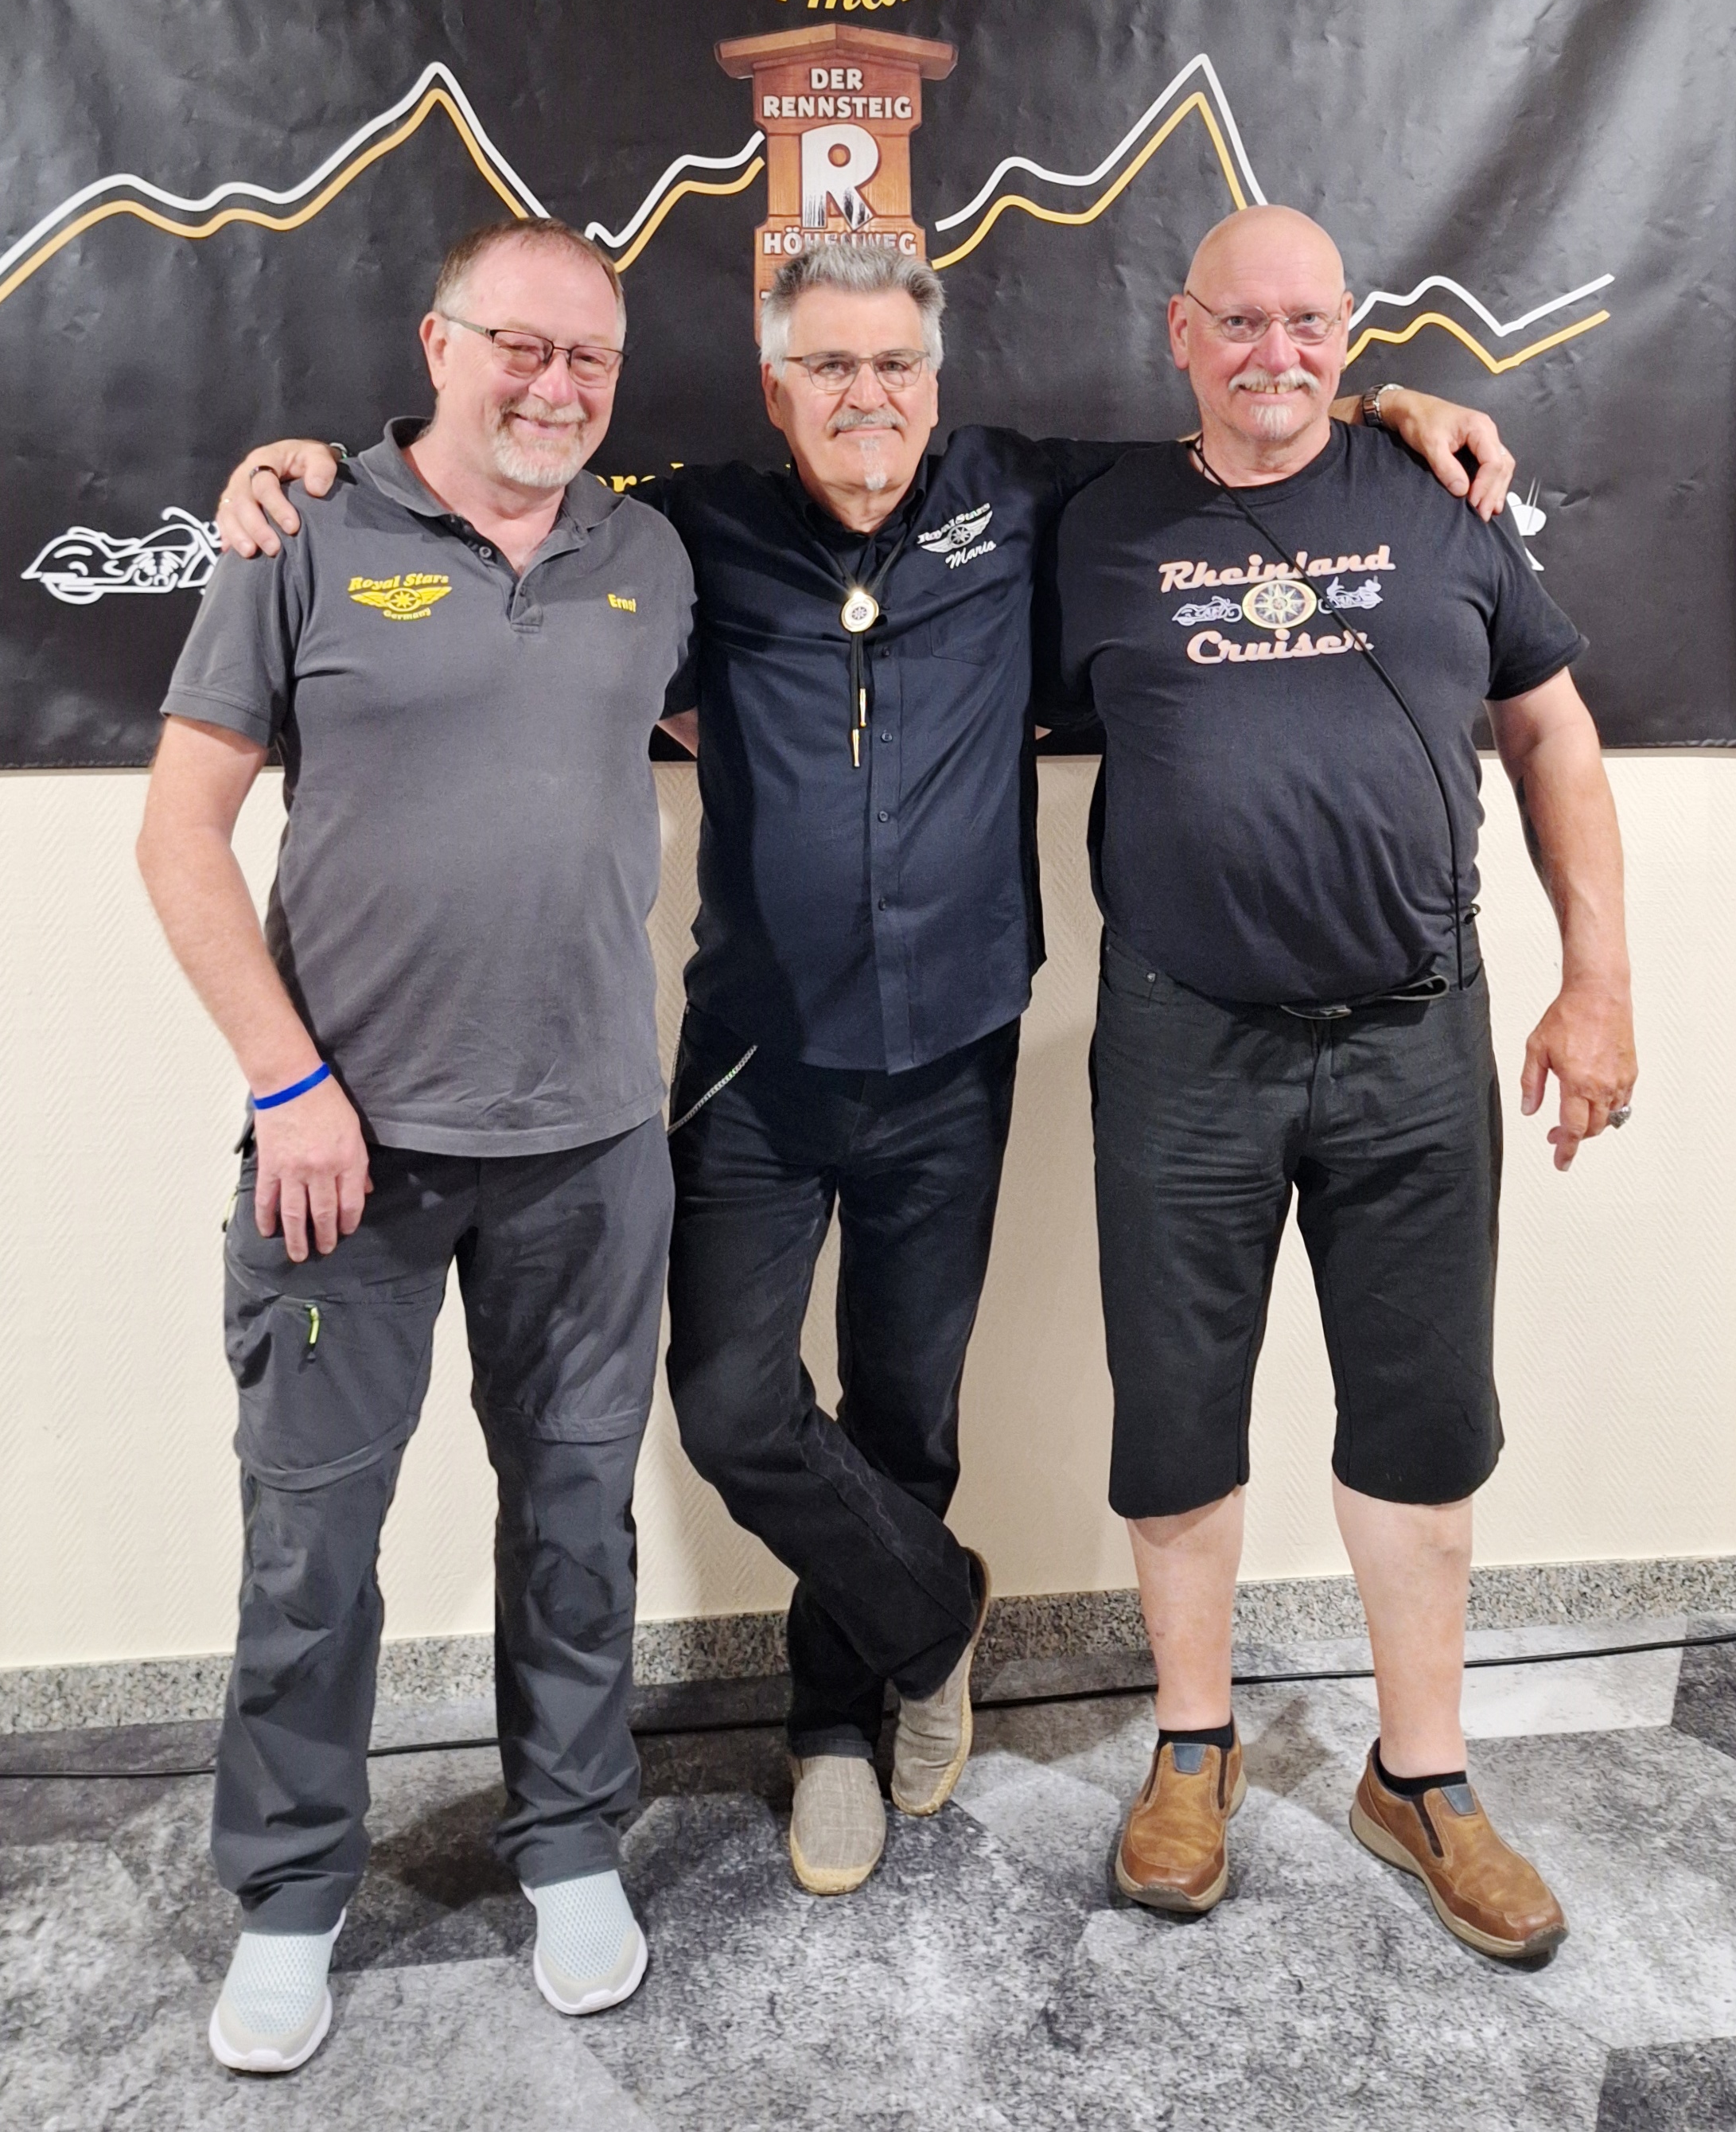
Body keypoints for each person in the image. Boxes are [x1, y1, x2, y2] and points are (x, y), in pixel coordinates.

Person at [215, 238, 1514, 1902]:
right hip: (755, 1056)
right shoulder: (682, 528)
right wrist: (314, 467)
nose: (866, 396)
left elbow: (1257, 421)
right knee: (729, 1402)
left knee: (906, 1411)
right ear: (776, 388)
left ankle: (836, 1722)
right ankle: (930, 1612)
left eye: (895, 364)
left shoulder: (1025, 494)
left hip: (954, 1051)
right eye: (828, 366)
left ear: (935, 380)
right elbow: (489, 488)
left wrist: (1397, 406)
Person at [136, 218, 694, 2072]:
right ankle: (293, 1889)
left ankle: (570, 1840)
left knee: (577, 1513)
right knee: (310, 1536)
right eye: (519, 344)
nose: (555, 383)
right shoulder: (302, 533)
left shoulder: (648, 555)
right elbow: (179, 834)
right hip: (343, 1155)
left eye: (589, 357)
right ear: (438, 342)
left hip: (591, 1141)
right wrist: (285, 1082)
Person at [1049, 203, 1635, 1964]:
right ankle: (1192, 1747)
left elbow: (1550, 729)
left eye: (1310, 323)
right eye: (1240, 322)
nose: (1276, 353)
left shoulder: (1440, 501)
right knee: (1174, 1411)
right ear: (1179, 332)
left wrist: (1598, 981)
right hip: (1182, 1037)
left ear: (1349, 334)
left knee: (1422, 1416)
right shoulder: (1097, 517)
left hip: (1411, 1036)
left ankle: (1420, 1775)